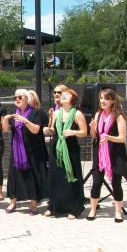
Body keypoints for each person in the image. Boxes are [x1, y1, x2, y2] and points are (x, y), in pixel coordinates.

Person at [44, 88, 87, 219]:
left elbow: (84, 132)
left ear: (72, 99)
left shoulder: (77, 114)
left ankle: (74, 208)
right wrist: (48, 130)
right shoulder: (56, 113)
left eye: (66, 95)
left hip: (71, 148)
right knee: (55, 177)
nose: (62, 96)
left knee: (71, 176)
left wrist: (73, 132)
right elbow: (52, 129)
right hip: (57, 147)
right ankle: (53, 206)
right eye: (62, 94)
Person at [3, 89, 48, 214]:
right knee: (14, 176)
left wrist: (25, 121)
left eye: (20, 97)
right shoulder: (14, 114)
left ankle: (34, 204)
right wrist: (5, 120)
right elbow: (6, 130)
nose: (17, 99)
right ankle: (13, 202)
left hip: (32, 151)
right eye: (15, 97)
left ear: (27, 99)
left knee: (33, 176)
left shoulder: (36, 112)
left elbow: (36, 130)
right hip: (16, 151)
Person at [88, 88, 127, 223]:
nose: (102, 101)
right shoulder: (98, 115)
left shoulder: (119, 116)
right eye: (101, 98)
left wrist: (109, 137)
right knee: (96, 182)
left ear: (112, 100)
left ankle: (118, 212)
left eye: (106, 98)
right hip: (99, 153)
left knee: (116, 184)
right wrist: (92, 128)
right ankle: (93, 210)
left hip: (115, 154)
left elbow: (122, 138)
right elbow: (94, 136)